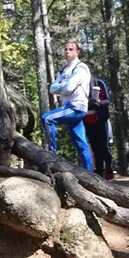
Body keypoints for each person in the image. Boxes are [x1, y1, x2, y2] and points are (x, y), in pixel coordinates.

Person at [41, 41, 94, 171]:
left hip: (75, 107)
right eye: (66, 49)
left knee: (47, 118)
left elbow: (69, 88)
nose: (67, 52)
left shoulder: (81, 68)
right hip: (69, 107)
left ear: (78, 52)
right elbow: (52, 88)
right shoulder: (64, 69)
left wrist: (61, 87)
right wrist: (63, 87)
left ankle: (52, 153)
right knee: (81, 143)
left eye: (71, 49)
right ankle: (90, 173)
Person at [83, 63, 114, 180]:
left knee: (104, 147)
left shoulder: (99, 83)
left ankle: (109, 172)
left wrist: (98, 102)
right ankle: (99, 173)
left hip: (100, 119)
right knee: (94, 148)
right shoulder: (81, 85)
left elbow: (108, 100)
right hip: (87, 120)